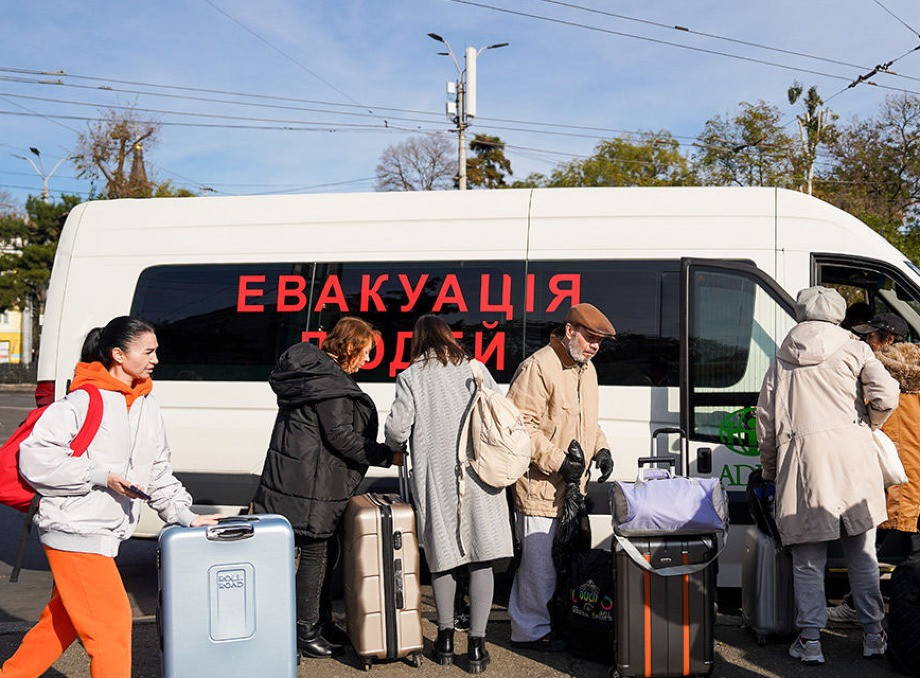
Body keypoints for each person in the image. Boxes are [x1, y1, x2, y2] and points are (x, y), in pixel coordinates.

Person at [1, 316, 221, 678]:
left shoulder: (147, 405)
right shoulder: (82, 401)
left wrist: (186, 515)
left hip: (103, 532)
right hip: (73, 529)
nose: (155, 359)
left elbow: (157, 471)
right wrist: (99, 475)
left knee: (63, 622)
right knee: (113, 629)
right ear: (119, 354)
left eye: (156, 351)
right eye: (147, 351)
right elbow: (35, 459)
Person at [756, 286, 900, 666]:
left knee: (807, 559)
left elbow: (766, 424)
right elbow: (887, 393)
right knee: (862, 554)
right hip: (852, 458)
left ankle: (810, 640)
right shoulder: (856, 348)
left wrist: (771, 470)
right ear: (837, 314)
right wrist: (869, 423)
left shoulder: (782, 359)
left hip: (802, 464)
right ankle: (873, 635)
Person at [250, 316, 398, 659]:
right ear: (349, 346)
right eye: (365, 352)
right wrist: (387, 456)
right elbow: (342, 437)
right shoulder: (329, 384)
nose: (366, 360)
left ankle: (320, 622)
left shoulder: (313, 376)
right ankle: (305, 629)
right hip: (311, 481)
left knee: (323, 550)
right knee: (316, 552)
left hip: (301, 476)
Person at [384, 314, 513, 674]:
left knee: (443, 556)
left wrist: (395, 444)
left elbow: (397, 429)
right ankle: (476, 646)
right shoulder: (476, 369)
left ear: (418, 342)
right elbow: (500, 414)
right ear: (448, 337)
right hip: (481, 475)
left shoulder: (411, 377)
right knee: (481, 558)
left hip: (436, 478)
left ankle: (442, 641)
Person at [505, 303, 616, 652]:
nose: (594, 346)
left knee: (563, 564)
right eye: (590, 338)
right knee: (538, 566)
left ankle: (553, 624)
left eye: (599, 341)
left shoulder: (587, 369)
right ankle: (529, 631)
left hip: (571, 488)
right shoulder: (538, 367)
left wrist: (601, 449)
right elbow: (520, 427)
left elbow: (587, 421)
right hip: (540, 487)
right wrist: (558, 462)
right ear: (570, 331)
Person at [827, 322, 920, 626]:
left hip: (883, 487)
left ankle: (859, 608)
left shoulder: (876, 385)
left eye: (870, 337)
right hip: (914, 490)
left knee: (868, 555)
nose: (864, 341)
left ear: (888, 340)